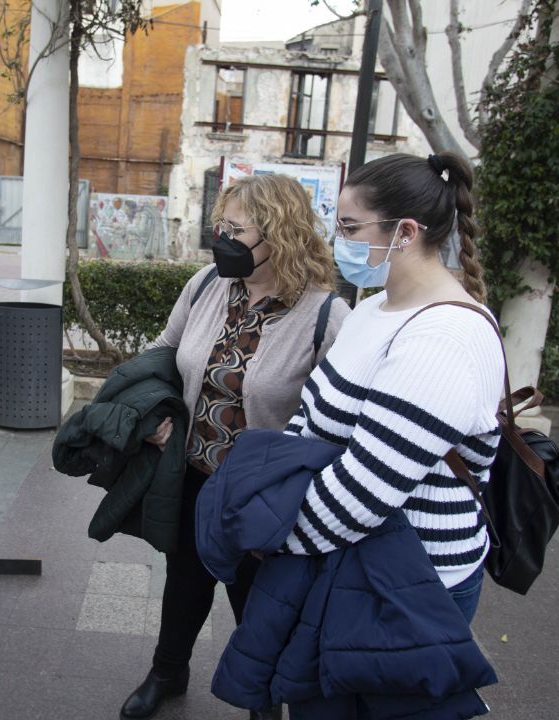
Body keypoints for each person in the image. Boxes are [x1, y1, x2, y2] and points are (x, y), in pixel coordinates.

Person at [279, 152, 504, 719]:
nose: (340, 242)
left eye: (351, 229)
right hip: (344, 563)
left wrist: (275, 536)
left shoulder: (446, 336)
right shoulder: (373, 307)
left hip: (410, 584)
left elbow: (366, 489)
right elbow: (310, 417)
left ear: (405, 232)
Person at [119, 173, 350, 720]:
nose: (221, 238)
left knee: (259, 603)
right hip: (195, 475)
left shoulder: (325, 316)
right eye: (220, 225)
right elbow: (160, 354)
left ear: (281, 234)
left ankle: (262, 696)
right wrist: (154, 418)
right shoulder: (206, 286)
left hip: (264, 495)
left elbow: (339, 419)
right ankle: (168, 672)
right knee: (185, 583)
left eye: (236, 229)